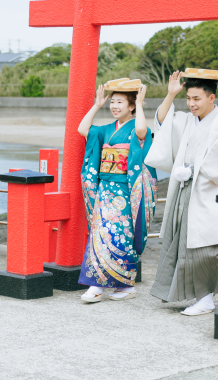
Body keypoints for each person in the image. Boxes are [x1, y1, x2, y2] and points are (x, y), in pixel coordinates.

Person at [145, 71, 218, 315]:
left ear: (211, 98)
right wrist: (171, 94)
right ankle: (204, 298)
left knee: (210, 248)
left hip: (208, 191)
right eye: (188, 98)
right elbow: (162, 123)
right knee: (186, 246)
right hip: (184, 189)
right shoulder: (188, 119)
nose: (191, 103)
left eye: (197, 98)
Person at [76, 79, 158, 303]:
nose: (114, 106)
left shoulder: (136, 127)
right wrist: (97, 105)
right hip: (105, 190)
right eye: (112, 102)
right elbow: (82, 129)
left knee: (121, 237)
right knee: (99, 236)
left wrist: (140, 104)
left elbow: (141, 131)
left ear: (131, 106)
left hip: (125, 192)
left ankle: (124, 285)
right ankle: (97, 285)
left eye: (120, 102)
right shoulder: (106, 130)